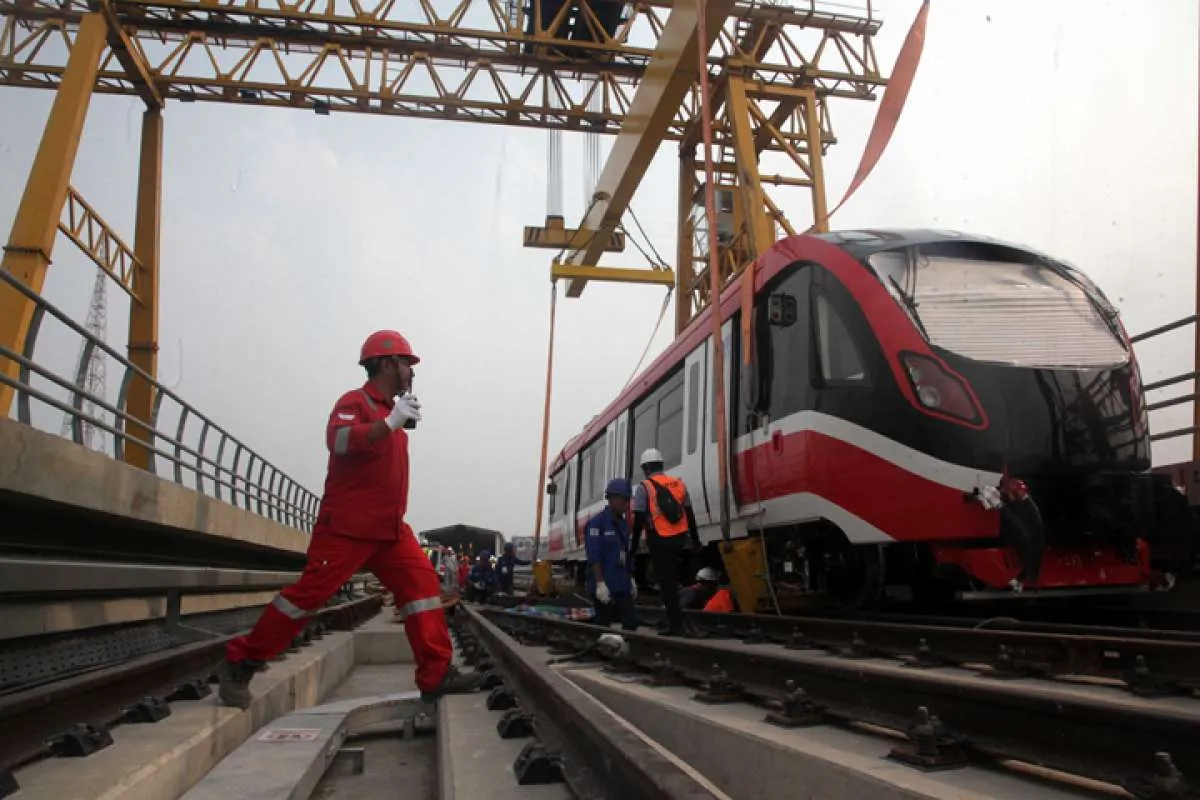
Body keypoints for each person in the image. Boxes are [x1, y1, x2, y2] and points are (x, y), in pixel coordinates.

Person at [215, 330, 486, 709]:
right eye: (407, 363)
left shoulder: (392, 414)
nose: (411, 371)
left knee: (423, 589)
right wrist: (389, 423)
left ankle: (436, 674)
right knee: (305, 599)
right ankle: (243, 661)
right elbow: (338, 441)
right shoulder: (355, 402)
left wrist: (393, 422)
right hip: (347, 528)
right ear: (389, 363)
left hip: (390, 530)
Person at [630, 448, 701, 637]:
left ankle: (675, 625)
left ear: (645, 468)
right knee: (679, 581)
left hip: (660, 540)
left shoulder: (644, 487)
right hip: (681, 540)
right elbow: (690, 514)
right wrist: (696, 541)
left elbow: (638, 520)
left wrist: (633, 547)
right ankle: (682, 621)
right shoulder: (678, 484)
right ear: (661, 465)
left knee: (667, 584)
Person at [586, 478, 639, 630]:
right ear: (612, 499)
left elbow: (626, 553)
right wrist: (600, 584)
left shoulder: (623, 524)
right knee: (604, 625)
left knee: (631, 622)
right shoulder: (596, 524)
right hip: (604, 584)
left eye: (628, 500)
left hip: (621, 584)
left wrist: (631, 578)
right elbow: (594, 556)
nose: (626, 504)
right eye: (624, 500)